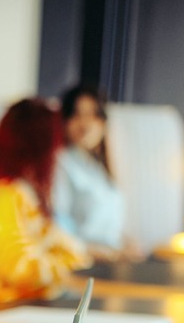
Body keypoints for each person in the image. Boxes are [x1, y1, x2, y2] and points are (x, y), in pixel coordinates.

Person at [0, 96, 91, 302]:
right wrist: (66, 266)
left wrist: (74, 259)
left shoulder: (28, 193)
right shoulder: (6, 195)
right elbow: (16, 269)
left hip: (44, 299)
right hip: (19, 307)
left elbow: (70, 249)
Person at [51, 83, 129, 253]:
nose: (84, 124)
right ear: (65, 121)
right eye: (77, 115)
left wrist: (126, 245)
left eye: (92, 115)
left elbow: (110, 228)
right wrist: (103, 253)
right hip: (84, 263)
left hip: (111, 259)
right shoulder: (60, 163)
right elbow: (58, 229)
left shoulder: (98, 167)